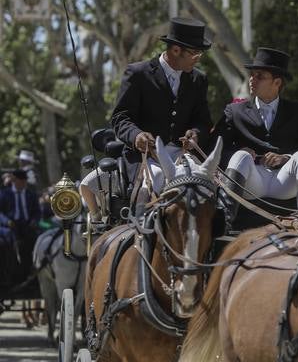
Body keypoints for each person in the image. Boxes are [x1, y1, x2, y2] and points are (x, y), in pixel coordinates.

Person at [80, 17, 213, 218]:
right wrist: (137, 136)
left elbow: (203, 121)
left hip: (182, 155)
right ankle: (144, 232)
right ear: (176, 50)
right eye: (194, 53)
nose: (198, 58)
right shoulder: (138, 73)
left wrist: (195, 133)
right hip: (145, 156)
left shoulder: (198, 79)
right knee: (158, 178)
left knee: (205, 183)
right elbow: (120, 118)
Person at [211, 47, 298, 227]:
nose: (252, 80)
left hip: (284, 181)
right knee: (240, 156)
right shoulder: (235, 111)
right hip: (251, 180)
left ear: (277, 82)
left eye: (260, 76)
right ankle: (224, 221)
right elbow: (214, 149)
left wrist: (286, 157)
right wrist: (237, 152)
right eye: (252, 75)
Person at [0, 169, 41, 280]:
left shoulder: (31, 195)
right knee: (9, 242)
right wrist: (7, 221)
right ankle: (11, 270)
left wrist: (34, 221)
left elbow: (37, 212)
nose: (23, 183)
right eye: (21, 181)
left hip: (27, 225)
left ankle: (35, 270)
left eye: (25, 181)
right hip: (10, 226)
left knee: (38, 239)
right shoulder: (4, 194)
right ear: (14, 180)